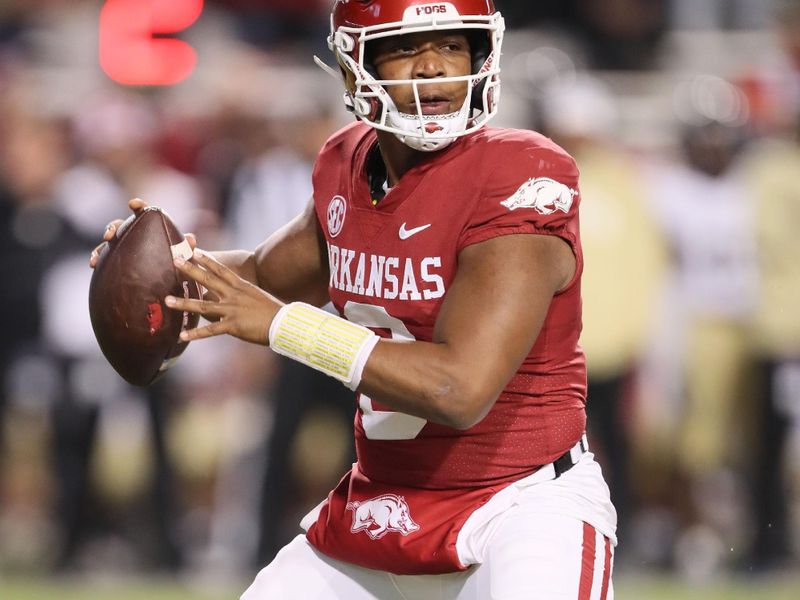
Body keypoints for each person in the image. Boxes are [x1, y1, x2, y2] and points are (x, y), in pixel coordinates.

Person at [91, 1, 617, 597]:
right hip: (382, 504)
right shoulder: (346, 162)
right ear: (353, 65)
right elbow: (264, 273)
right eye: (405, 47)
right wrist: (163, 277)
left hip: (517, 506)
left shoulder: (523, 176)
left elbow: (460, 388)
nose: (431, 68)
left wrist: (284, 328)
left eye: (450, 45)